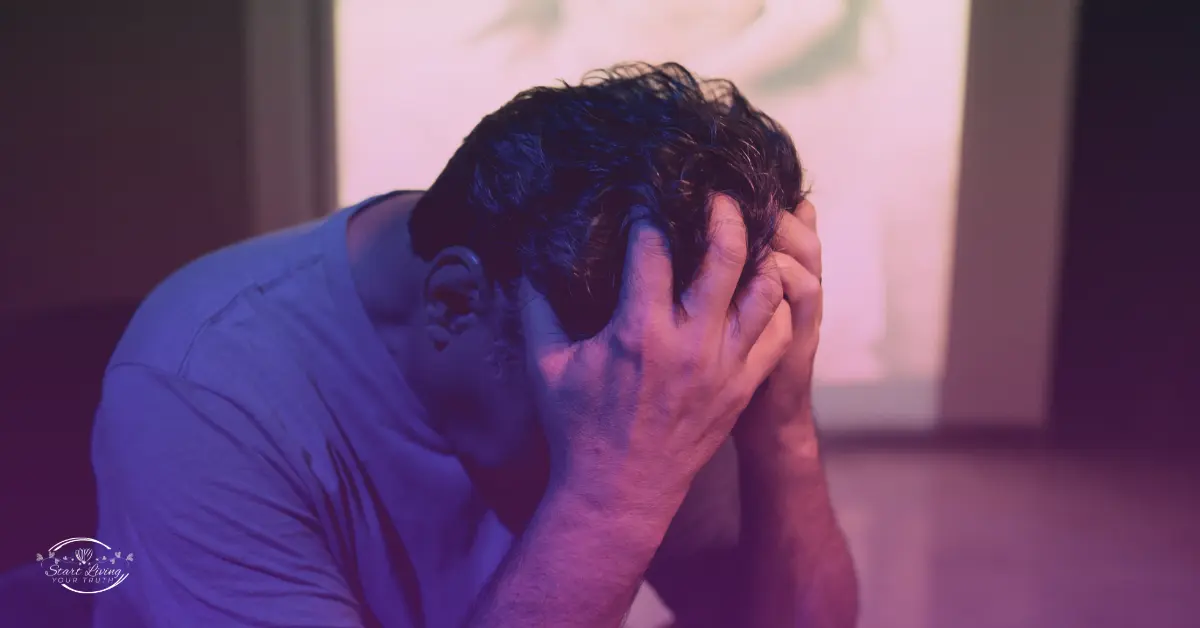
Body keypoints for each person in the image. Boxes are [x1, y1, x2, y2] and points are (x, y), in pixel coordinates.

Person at [92, 62, 857, 627]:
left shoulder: (652, 344)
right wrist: (608, 501)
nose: (629, 439)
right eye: (578, 421)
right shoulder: (200, 388)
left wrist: (781, 425)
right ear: (455, 302)